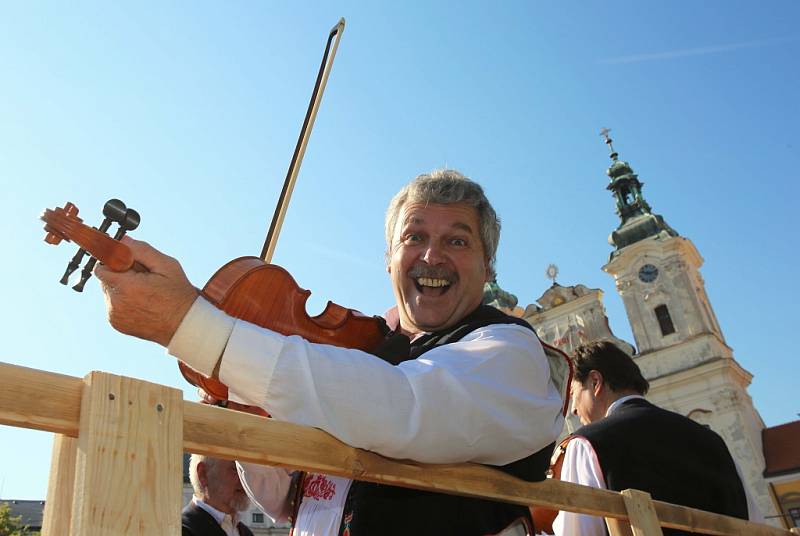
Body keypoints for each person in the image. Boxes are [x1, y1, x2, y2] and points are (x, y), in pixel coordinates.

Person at [95, 169, 567, 535]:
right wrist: (243, 408)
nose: (431, 256)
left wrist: (193, 327)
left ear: (488, 267)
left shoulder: (510, 353)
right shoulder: (365, 353)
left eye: (457, 240)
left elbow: (403, 407)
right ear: (388, 260)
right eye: (414, 237)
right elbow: (286, 498)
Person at [551, 341, 754, 536]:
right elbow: (756, 525)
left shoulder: (586, 444)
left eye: (574, 393)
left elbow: (576, 533)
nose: (574, 409)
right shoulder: (714, 442)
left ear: (595, 382)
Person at [183, 454, 255, 536]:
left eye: (248, 471)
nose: (245, 479)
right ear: (203, 474)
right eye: (236, 469)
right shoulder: (180, 530)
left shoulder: (246, 533)